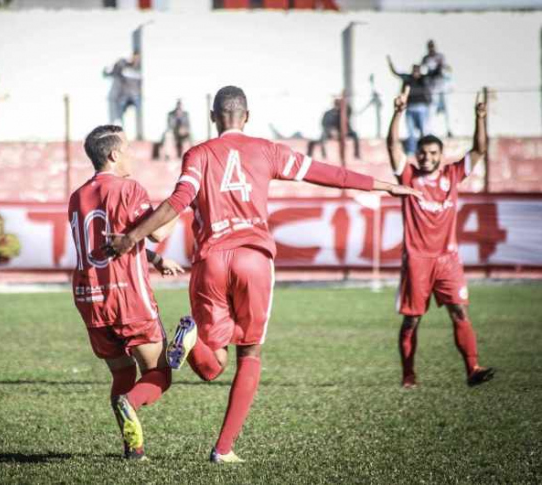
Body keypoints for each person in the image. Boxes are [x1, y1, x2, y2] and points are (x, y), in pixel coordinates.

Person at [104, 86, 421, 463]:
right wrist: (384, 186)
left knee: (212, 364)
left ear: (212, 117)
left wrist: (132, 238)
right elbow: (325, 173)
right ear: (247, 116)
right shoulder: (267, 150)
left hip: (211, 260)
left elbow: (178, 201)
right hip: (253, 258)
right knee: (249, 353)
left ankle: (192, 341)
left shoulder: (198, 154)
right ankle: (223, 449)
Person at [69, 124, 183, 460]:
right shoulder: (128, 188)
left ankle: (134, 449)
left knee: (121, 371)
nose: (132, 154)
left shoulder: (78, 196)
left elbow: (104, 245)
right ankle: (130, 401)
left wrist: (154, 260)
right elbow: (158, 231)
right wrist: (181, 204)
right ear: (114, 154)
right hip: (127, 296)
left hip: (90, 298)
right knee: (158, 373)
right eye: (128, 148)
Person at [387, 86, 495, 389]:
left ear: (440, 155)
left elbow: (479, 150)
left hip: (448, 259)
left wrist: (480, 117)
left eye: (433, 153)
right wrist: (397, 113)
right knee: (412, 320)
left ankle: (473, 368)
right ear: (417, 154)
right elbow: (392, 146)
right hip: (417, 261)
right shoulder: (408, 177)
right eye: (422, 152)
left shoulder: (452, 175)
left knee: (460, 311)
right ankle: (409, 376)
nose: (426, 157)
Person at [387, 56, 439, 154]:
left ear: (419, 72)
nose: (415, 73)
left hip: (422, 108)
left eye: (417, 71)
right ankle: (411, 150)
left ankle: (424, 148)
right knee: (410, 131)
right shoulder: (408, 78)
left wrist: (438, 65)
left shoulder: (423, 79)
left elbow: (434, 75)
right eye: (414, 71)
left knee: (424, 130)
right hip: (410, 108)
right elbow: (396, 73)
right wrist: (390, 63)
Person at [421, 40, 453, 137]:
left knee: (446, 108)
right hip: (433, 87)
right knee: (432, 108)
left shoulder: (440, 57)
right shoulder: (425, 58)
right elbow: (424, 71)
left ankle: (449, 129)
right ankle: (431, 131)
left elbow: (446, 69)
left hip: (442, 86)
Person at [104, 53, 142, 128]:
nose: (136, 60)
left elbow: (135, 88)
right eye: (135, 58)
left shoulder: (135, 71)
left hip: (123, 98)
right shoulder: (122, 63)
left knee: (120, 119)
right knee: (113, 118)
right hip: (114, 96)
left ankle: (119, 133)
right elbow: (110, 73)